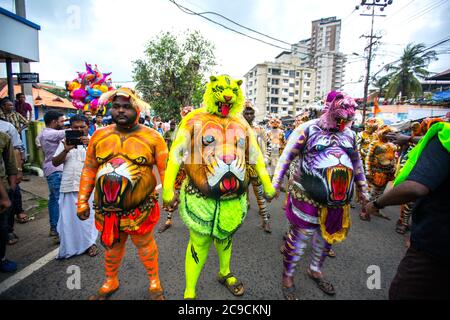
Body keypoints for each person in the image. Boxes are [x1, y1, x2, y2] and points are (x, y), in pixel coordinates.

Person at [163, 75, 275, 300]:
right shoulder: (194, 118)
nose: (227, 95)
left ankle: (224, 273)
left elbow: (255, 154)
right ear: (211, 89)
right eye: (222, 90)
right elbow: (176, 153)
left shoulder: (241, 122)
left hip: (232, 197)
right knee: (199, 241)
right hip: (200, 197)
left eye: (232, 91)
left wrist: (267, 183)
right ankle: (190, 292)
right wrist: (167, 187)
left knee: (225, 237)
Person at [272, 93, 369, 300]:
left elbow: (357, 162)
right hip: (307, 197)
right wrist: (276, 183)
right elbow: (285, 158)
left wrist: (363, 188)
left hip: (337, 201)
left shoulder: (350, 135)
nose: (343, 124)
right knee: (300, 238)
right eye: (340, 119)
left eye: (347, 120)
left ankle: (315, 269)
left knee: (327, 238)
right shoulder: (307, 129)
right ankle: (287, 276)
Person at [77, 87, 167, 300]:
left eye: (126, 107)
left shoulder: (153, 137)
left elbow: (166, 169)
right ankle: (110, 280)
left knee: (145, 245)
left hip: (140, 208)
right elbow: (89, 169)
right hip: (107, 210)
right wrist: (82, 201)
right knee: (111, 247)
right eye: (116, 106)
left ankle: (154, 282)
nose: (120, 111)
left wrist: (171, 196)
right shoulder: (99, 136)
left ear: (137, 109)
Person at [365, 121, 450, 300]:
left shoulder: (444, 136)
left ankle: (401, 221)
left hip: (435, 248)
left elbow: (414, 188)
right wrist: (368, 172)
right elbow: (368, 157)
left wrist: (377, 204)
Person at [52, 115, 98, 259]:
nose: (79, 130)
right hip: (69, 185)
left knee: (88, 219)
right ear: (70, 128)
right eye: (75, 127)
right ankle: (71, 245)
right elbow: (55, 163)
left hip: (88, 187)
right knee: (69, 219)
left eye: (82, 127)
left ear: (88, 126)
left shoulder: (95, 141)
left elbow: (104, 160)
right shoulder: (64, 142)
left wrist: (90, 145)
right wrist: (66, 150)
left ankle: (90, 243)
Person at [243, 101, 272, 233]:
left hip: (255, 166)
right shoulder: (237, 129)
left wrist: (266, 158)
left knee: (259, 194)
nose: (249, 115)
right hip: (241, 166)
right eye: (246, 113)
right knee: (239, 194)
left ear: (254, 115)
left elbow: (269, 145)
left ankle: (265, 220)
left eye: (251, 113)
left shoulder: (259, 130)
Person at [38, 111, 66, 238]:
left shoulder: (44, 133)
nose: (63, 124)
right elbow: (66, 133)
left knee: (54, 199)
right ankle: (56, 229)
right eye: (61, 121)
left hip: (53, 170)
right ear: (54, 122)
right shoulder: (50, 133)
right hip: (55, 170)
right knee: (58, 200)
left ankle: (56, 227)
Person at [0, 131, 18, 272]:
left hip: (4, 190)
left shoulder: (4, 136)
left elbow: (11, 163)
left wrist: (11, 188)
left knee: (2, 226)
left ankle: (2, 259)